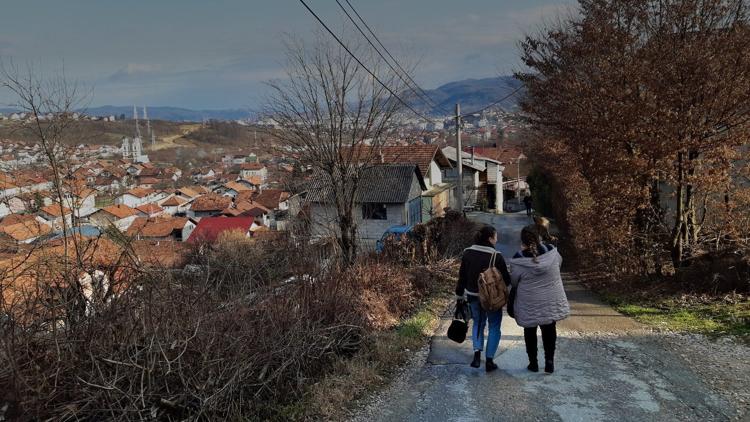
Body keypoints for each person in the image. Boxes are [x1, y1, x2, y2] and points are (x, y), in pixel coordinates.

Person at [509, 225, 569, 374]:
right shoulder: (552, 252)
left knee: (530, 332)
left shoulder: (518, 259)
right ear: (539, 237)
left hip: (529, 302)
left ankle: (533, 364)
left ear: (522, 240)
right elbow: (558, 265)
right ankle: (550, 362)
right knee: (549, 330)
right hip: (550, 299)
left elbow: (514, 282)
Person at [455, 225, 512, 372]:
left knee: (478, 324)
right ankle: (489, 360)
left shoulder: (467, 253)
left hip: (472, 296)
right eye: (495, 236)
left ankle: (476, 355)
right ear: (490, 238)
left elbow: (462, 276)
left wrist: (459, 295)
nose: (497, 239)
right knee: (494, 326)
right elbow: (506, 279)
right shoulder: (496, 256)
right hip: (491, 299)